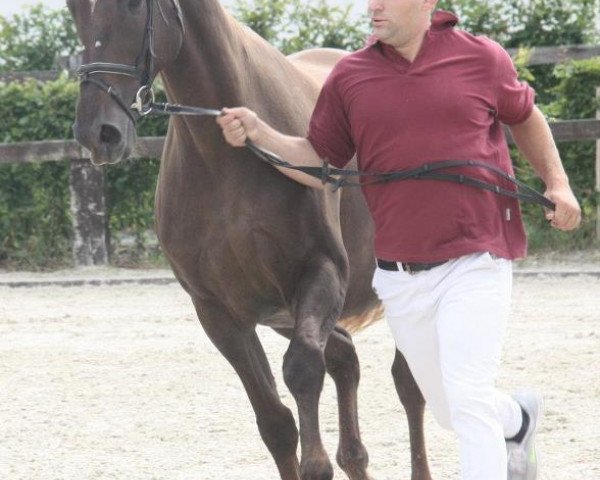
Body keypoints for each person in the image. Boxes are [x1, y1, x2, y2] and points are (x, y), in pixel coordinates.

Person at [216, 1, 582, 478]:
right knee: (451, 408)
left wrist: (557, 183)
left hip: (477, 260)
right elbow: (319, 162)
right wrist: (261, 132)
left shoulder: (482, 58)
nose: (374, 6)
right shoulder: (350, 77)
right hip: (401, 278)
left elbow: (524, 114)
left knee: (468, 398)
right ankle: (518, 417)